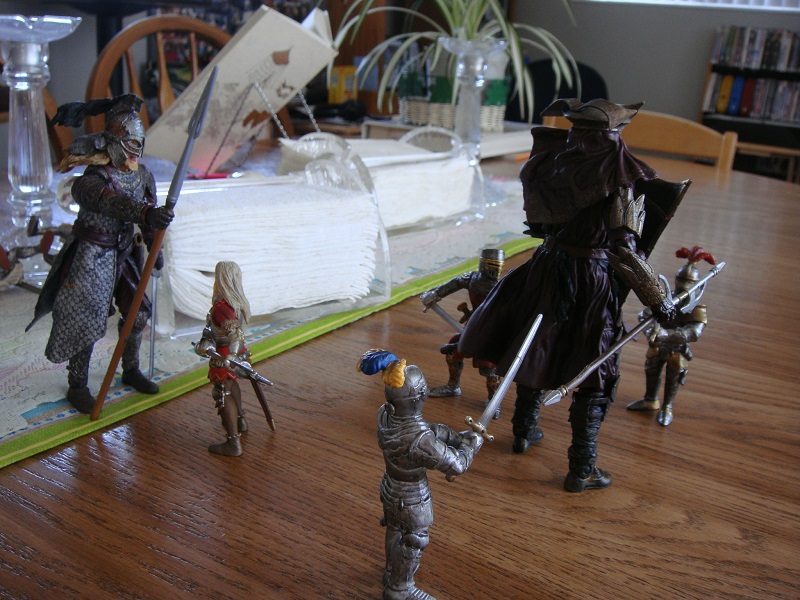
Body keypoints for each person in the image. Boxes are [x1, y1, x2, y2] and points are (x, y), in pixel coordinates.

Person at [457, 98, 676, 493]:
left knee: (536, 344)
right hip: (590, 279)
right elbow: (625, 250)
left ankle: (524, 431)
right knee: (594, 367)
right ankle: (582, 467)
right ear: (611, 136)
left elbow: (542, 224)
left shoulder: (549, 164)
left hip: (546, 266)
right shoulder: (616, 177)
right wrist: (658, 298)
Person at [26, 94, 174, 414]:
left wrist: (154, 245)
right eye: (130, 144)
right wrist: (146, 213)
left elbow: (148, 215)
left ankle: (130, 369)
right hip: (92, 254)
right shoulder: (91, 180)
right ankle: (77, 384)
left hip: (126, 251)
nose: (134, 153)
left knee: (138, 314)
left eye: (139, 145)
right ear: (113, 143)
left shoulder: (143, 176)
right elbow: (111, 202)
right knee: (88, 320)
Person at [358, 349, 483, 600]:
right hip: (413, 496)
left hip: (390, 486)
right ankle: (400, 588)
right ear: (421, 396)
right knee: (415, 539)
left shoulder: (385, 414)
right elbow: (457, 465)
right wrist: (472, 445)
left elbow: (424, 429)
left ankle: (392, 572)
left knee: (395, 527)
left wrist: (454, 436)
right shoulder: (420, 441)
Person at [627, 246, 714, 426]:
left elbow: (694, 332)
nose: (683, 284)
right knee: (652, 370)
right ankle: (650, 400)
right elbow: (645, 315)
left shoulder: (697, 307)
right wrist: (651, 331)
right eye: (681, 279)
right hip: (657, 345)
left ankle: (667, 407)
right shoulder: (665, 298)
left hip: (676, 348)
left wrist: (666, 335)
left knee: (673, 375)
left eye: (688, 281)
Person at [419, 248, 504, 418]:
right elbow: (454, 283)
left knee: (490, 368)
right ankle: (453, 386)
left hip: (491, 334)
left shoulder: (505, 285)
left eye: (497, 266)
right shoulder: (472, 279)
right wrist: (435, 294)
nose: (494, 271)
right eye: (491, 265)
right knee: (453, 353)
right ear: (483, 265)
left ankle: (493, 401)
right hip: (472, 328)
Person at [194, 261, 252, 457]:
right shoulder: (236, 303)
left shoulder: (221, 307)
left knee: (222, 393)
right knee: (231, 385)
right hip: (234, 354)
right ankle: (241, 420)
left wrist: (231, 356)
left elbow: (235, 334)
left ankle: (233, 443)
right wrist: (204, 344)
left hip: (225, 357)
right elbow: (211, 331)